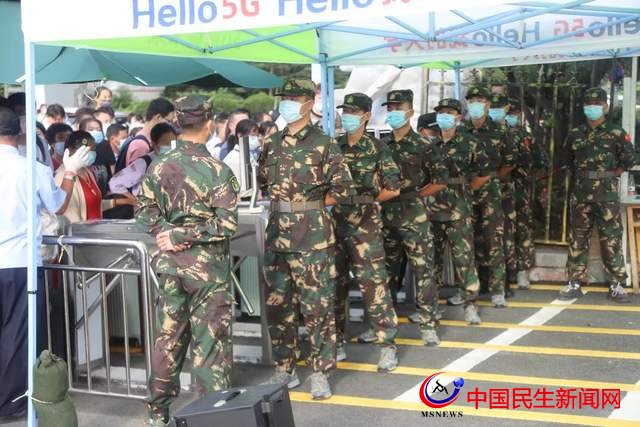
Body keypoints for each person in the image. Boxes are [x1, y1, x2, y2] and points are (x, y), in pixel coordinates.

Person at [136, 95, 239, 426]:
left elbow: (143, 213)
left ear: (179, 124)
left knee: (167, 342)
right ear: (209, 124)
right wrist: (183, 235)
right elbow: (226, 224)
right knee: (210, 346)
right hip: (207, 272)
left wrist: (168, 234)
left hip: (170, 268)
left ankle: (157, 415)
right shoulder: (217, 170)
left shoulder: (159, 165)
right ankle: (213, 417)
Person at [258, 79, 354, 400]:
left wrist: (307, 207)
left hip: (312, 237)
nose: (286, 102)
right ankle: (285, 367)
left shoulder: (324, 144)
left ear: (309, 103)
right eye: (284, 97)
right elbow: (264, 182)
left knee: (317, 307)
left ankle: (320, 371)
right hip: (277, 236)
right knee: (279, 306)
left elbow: (343, 189)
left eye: (293, 98)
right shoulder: (272, 143)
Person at [0, 107, 90, 421]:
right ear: (19, 136)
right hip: (20, 261)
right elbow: (58, 205)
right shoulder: (32, 168)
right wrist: (70, 172)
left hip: (15, 259)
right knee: (18, 334)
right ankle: (12, 402)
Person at [332, 93, 401, 369]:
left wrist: (367, 201)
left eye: (353, 112)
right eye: (345, 111)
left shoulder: (378, 148)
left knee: (374, 286)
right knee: (334, 285)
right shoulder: (334, 146)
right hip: (335, 223)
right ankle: (336, 342)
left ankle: (387, 344)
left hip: (365, 227)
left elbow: (392, 188)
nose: (347, 116)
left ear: (366, 116)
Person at [380, 89, 448, 344]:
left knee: (423, 270)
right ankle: (383, 325)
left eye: (398, 108)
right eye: (390, 108)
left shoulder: (423, 145)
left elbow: (440, 180)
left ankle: (428, 324)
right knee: (386, 272)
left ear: (409, 111)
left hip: (413, 214)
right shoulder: (381, 145)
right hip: (386, 214)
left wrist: (417, 195)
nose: (393, 112)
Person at [561, 87, 635, 302]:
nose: (592, 107)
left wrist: (610, 174)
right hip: (581, 195)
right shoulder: (575, 134)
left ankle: (617, 284)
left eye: (597, 103)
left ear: (605, 106)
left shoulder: (616, 133)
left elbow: (629, 159)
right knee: (577, 239)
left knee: (611, 239)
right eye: (588, 103)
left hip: (606, 195)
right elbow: (567, 161)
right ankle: (574, 282)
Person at [429, 98, 491, 334]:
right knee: (432, 261)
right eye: (441, 112)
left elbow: (484, 173)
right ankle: (431, 307)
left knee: (464, 260)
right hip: (433, 210)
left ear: (458, 117)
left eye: (449, 112)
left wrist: (465, 190)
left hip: (459, 210)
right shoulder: (431, 145)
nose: (444, 116)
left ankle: (470, 305)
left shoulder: (470, 142)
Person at [459, 86, 518, 310]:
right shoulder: (461, 130)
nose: (476, 104)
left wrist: (491, 178)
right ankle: (468, 290)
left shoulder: (500, 130)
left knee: (494, 240)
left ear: (487, 104)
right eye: (472, 100)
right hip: (465, 191)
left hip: (491, 192)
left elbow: (509, 162)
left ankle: (497, 290)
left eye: (480, 100)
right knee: (467, 242)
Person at [506, 100, 545, 290]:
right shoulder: (497, 134)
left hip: (522, 191)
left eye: (515, 112)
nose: (512, 116)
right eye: (509, 112)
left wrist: (527, 177)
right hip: (500, 191)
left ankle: (522, 271)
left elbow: (540, 162)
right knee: (502, 231)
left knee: (523, 230)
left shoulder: (527, 137)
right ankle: (504, 271)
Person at [54, 131, 133, 222]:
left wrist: (121, 201)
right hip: (78, 229)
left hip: (94, 228)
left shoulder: (87, 171)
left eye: (93, 150)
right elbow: (69, 216)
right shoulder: (63, 177)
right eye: (85, 150)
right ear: (70, 151)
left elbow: (93, 204)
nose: (91, 153)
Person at [490, 92, 518, 298]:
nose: (495, 111)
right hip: (480, 192)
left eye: (499, 107)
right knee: (482, 239)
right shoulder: (470, 131)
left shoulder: (506, 132)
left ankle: (505, 282)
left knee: (503, 236)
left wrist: (495, 178)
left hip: (504, 191)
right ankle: (484, 281)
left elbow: (511, 163)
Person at [109, 123, 177, 198]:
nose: (170, 147)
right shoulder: (143, 163)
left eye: (173, 143)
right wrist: (133, 201)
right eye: (166, 143)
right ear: (154, 144)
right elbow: (114, 183)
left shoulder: (177, 159)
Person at [117, 98, 175, 171]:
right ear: (158, 117)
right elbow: (138, 176)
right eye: (169, 121)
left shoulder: (145, 139)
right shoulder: (141, 145)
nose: (170, 125)